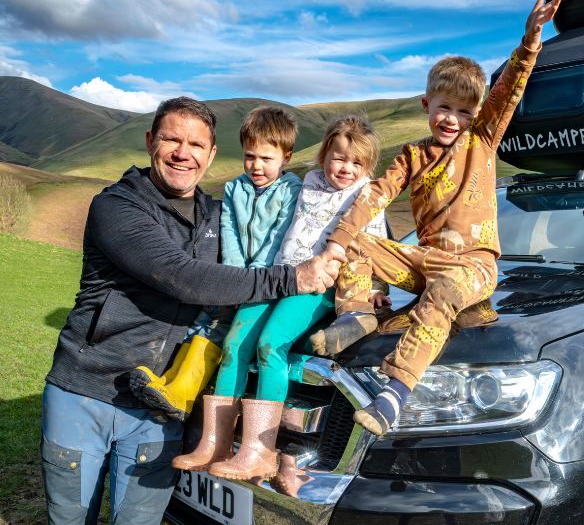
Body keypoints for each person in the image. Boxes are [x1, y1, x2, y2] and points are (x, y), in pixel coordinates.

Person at [40, 97, 342, 525]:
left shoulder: (218, 216)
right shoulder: (117, 207)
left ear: (212, 154)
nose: (184, 153)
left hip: (163, 405)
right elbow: (183, 276)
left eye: (197, 145)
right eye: (171, 139)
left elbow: (289, 238)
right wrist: (292, 278)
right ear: (150, 142)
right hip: (87, 393)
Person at [310, 0, 564, 437]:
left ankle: (395, 392)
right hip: (423, 259)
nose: (453, 119)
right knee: (353, 238)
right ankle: (357, 314)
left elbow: (510, 90)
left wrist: (530, 40)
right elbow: (377, 193)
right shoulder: (412, 155)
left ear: (477, 115)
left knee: (444, 290)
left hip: (474, 266)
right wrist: (337, 242)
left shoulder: (481, 140)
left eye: (465, 111)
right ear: (427, 104)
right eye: (445, 107)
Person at [173, 115, 389, 481]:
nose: (345, 168)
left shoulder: (367, 196)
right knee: (234, 343)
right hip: (278, 276)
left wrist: (377, 290)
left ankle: (260, 450)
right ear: (324, 155)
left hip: (319, 284)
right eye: (339, 158)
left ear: (367, 167)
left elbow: (378, 244)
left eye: (357, 163)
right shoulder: (309, 182)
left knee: (271, 345)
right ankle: (216, 442)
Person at [128, 106, 303, 422]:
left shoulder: (291, 191)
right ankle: (172, 384)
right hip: (237, 278)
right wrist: (234, 275)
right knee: (206, 317)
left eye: (266, 158)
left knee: (228, 333)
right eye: (250, 156)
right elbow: (230, 230)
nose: (256, 165)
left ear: (286, 158)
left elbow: (281, 236)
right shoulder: (235, 188)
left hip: (268, 278)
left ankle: (184, 392)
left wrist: (255, 280)